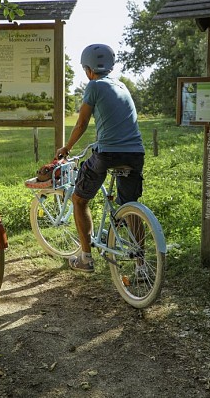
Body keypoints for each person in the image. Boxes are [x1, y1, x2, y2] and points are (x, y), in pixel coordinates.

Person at [55, 44, 145, 273]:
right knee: (131, 206)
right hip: (136, 153)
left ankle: (86, 258)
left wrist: (67, 147)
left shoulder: (93, 86)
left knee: (79, 199)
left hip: (108, 153)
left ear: (88, 69)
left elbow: (82, 123)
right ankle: (141, 265)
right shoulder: (122, 85)